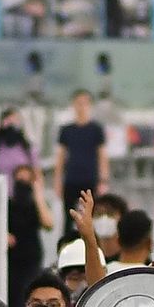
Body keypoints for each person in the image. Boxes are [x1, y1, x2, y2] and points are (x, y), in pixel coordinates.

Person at [55, 91, 109, 231]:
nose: (82, 107)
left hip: (90, 179)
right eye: (79, 103)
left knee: (91, 217)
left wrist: (103, 180)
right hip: (71, 179)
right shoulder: (66, 130)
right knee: (68, 218)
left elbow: (102, 155)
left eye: (85, 103)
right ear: (73, 105)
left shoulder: (96, 129)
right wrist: (58, 180)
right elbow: (60, 156)